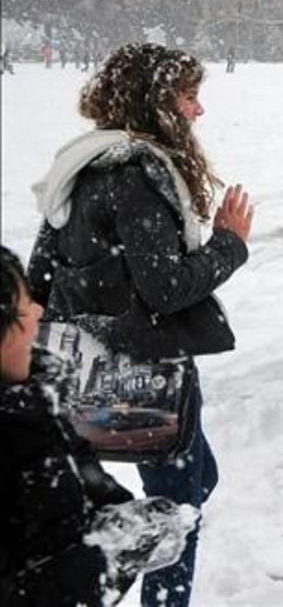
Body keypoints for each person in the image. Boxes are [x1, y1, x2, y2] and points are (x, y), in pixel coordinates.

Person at [27, 43, 254, 607]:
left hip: (94, 369)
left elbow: (39, 277)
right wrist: (229, 244)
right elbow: (166, 287)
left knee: (196, 482)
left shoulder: (79, 166)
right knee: (179, 509)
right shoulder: (134, 173)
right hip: (147, 377)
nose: (198, 111)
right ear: (157, 102)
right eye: (189, 97)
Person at [1, 246, 197, 607]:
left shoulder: (38, 400)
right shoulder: (21, 419)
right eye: (25, 304)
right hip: (148, 378)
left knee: (197, 482)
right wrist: (110, 559)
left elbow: (85, 490)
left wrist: (124, 525)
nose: (39, 312)